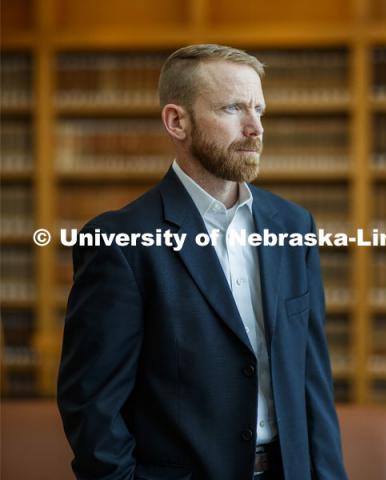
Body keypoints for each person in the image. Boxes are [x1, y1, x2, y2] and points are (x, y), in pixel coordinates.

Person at [57, 44, 347, 480]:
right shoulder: (118, 242)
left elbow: (313, 381)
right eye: (234, 108)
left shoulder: (294, 224)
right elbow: (92, 406)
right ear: (177, 121)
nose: (255, 128)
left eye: (260, 110)